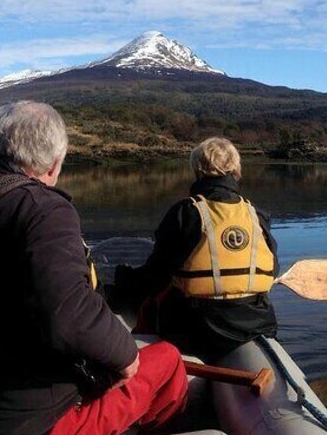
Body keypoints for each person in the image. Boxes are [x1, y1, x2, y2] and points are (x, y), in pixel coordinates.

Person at [0, 101, 187, 435]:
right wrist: (127, 357)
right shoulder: (43, 209)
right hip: (25, 434)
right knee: (168, 359)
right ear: (53, 163)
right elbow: (69, 315)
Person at [116, 137, 280, 360]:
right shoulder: (257, 215)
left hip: (195, 328)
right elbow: (273, 271)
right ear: (235, 169)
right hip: (256, 325)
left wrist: (123, 279)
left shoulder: (186, 213)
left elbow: (156, 276)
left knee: (143, 296)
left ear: (198, 170)